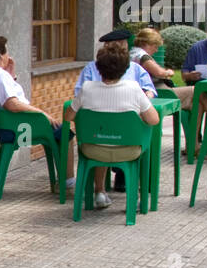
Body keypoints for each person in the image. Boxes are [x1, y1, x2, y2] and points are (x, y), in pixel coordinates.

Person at [68, 44, 159, 209]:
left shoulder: (87, 89)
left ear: (98, 67)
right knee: (140, 140)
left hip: (93, 148)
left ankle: (99, 192)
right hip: (128, 150)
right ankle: (137, 197)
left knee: (102, 136)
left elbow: (68, 116)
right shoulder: (134, 89)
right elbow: (154, 120)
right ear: (126, 68)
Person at [0, 34, 71, 184]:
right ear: (0, 54)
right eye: (6, 51)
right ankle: (68, 180)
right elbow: (11, 104)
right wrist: (42, 113)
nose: (8, 55)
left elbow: (4, 95)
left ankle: (63, 178)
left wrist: (11, 74)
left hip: (4, 125)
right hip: (18, 126)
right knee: (65, 132)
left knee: (58, 130)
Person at [133, 28, 207, 125]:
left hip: (154, 90)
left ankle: (194, 139)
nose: (156, 50)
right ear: (147, 44)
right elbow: (159, 73)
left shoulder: (134, 53)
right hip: (159, 92)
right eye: (155, 46)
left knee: (197, 104)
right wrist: (169, 72)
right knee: (197, 90)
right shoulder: (143, 57)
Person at [75, 29, 157, 98]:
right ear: (106, 47)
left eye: (124, 44)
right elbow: (79, 93)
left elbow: (149, 90)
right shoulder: (90, 68)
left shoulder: (136, 68)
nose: (123, 48)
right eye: (118, 45)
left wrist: (148, 94)